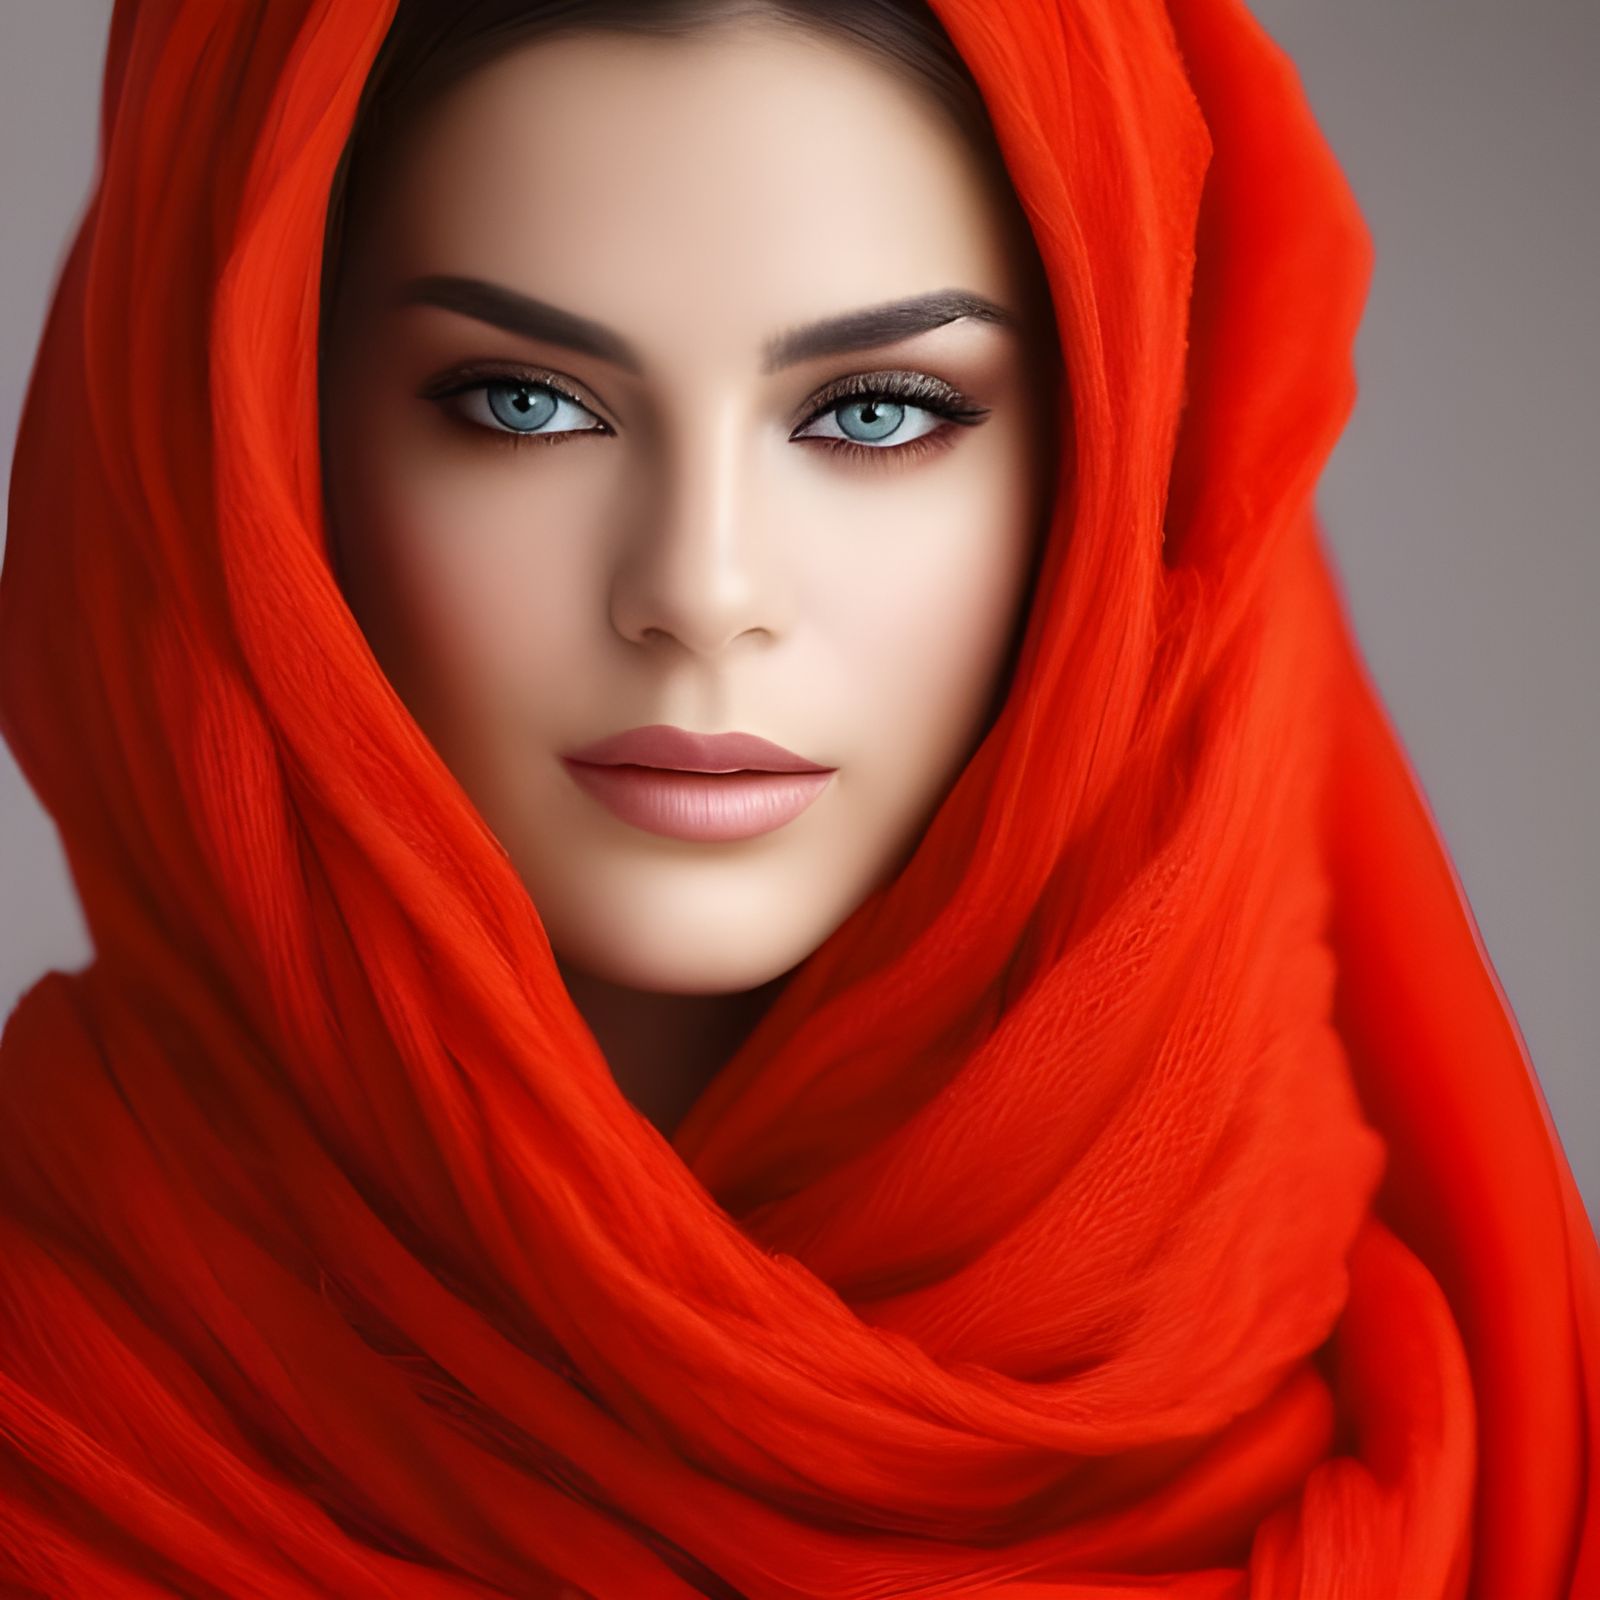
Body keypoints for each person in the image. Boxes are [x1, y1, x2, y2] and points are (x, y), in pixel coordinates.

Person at [0, 2, 1593, 1597]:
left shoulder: (1492, 1477)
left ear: (1126, 470)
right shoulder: (51, 1415)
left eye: (877, 409)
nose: (701, 590)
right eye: (523, 402)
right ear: (258, 449)